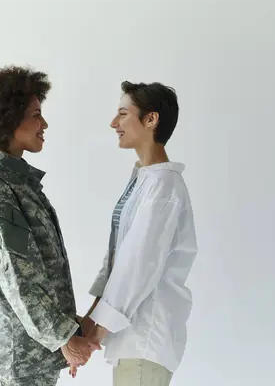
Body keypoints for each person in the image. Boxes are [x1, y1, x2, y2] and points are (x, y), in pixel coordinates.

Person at [0, 66, 100, 386]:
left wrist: (67, 330)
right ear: (9, 120)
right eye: (36, 114)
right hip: (18, 358)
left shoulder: (17, 185)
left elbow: (38, 271)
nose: (44, 124)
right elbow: (19, 278)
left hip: (32, 352)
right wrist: (64, 337)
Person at [78, 81, 198, 386]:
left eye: (122, 113)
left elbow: (138, 265)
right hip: (133, 340)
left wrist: (95, 332)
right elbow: (118, 259)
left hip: (146, 337)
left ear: (151, 119)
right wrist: (90, 323)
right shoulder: (146, 180)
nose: (113, 123)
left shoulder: (163, 187)